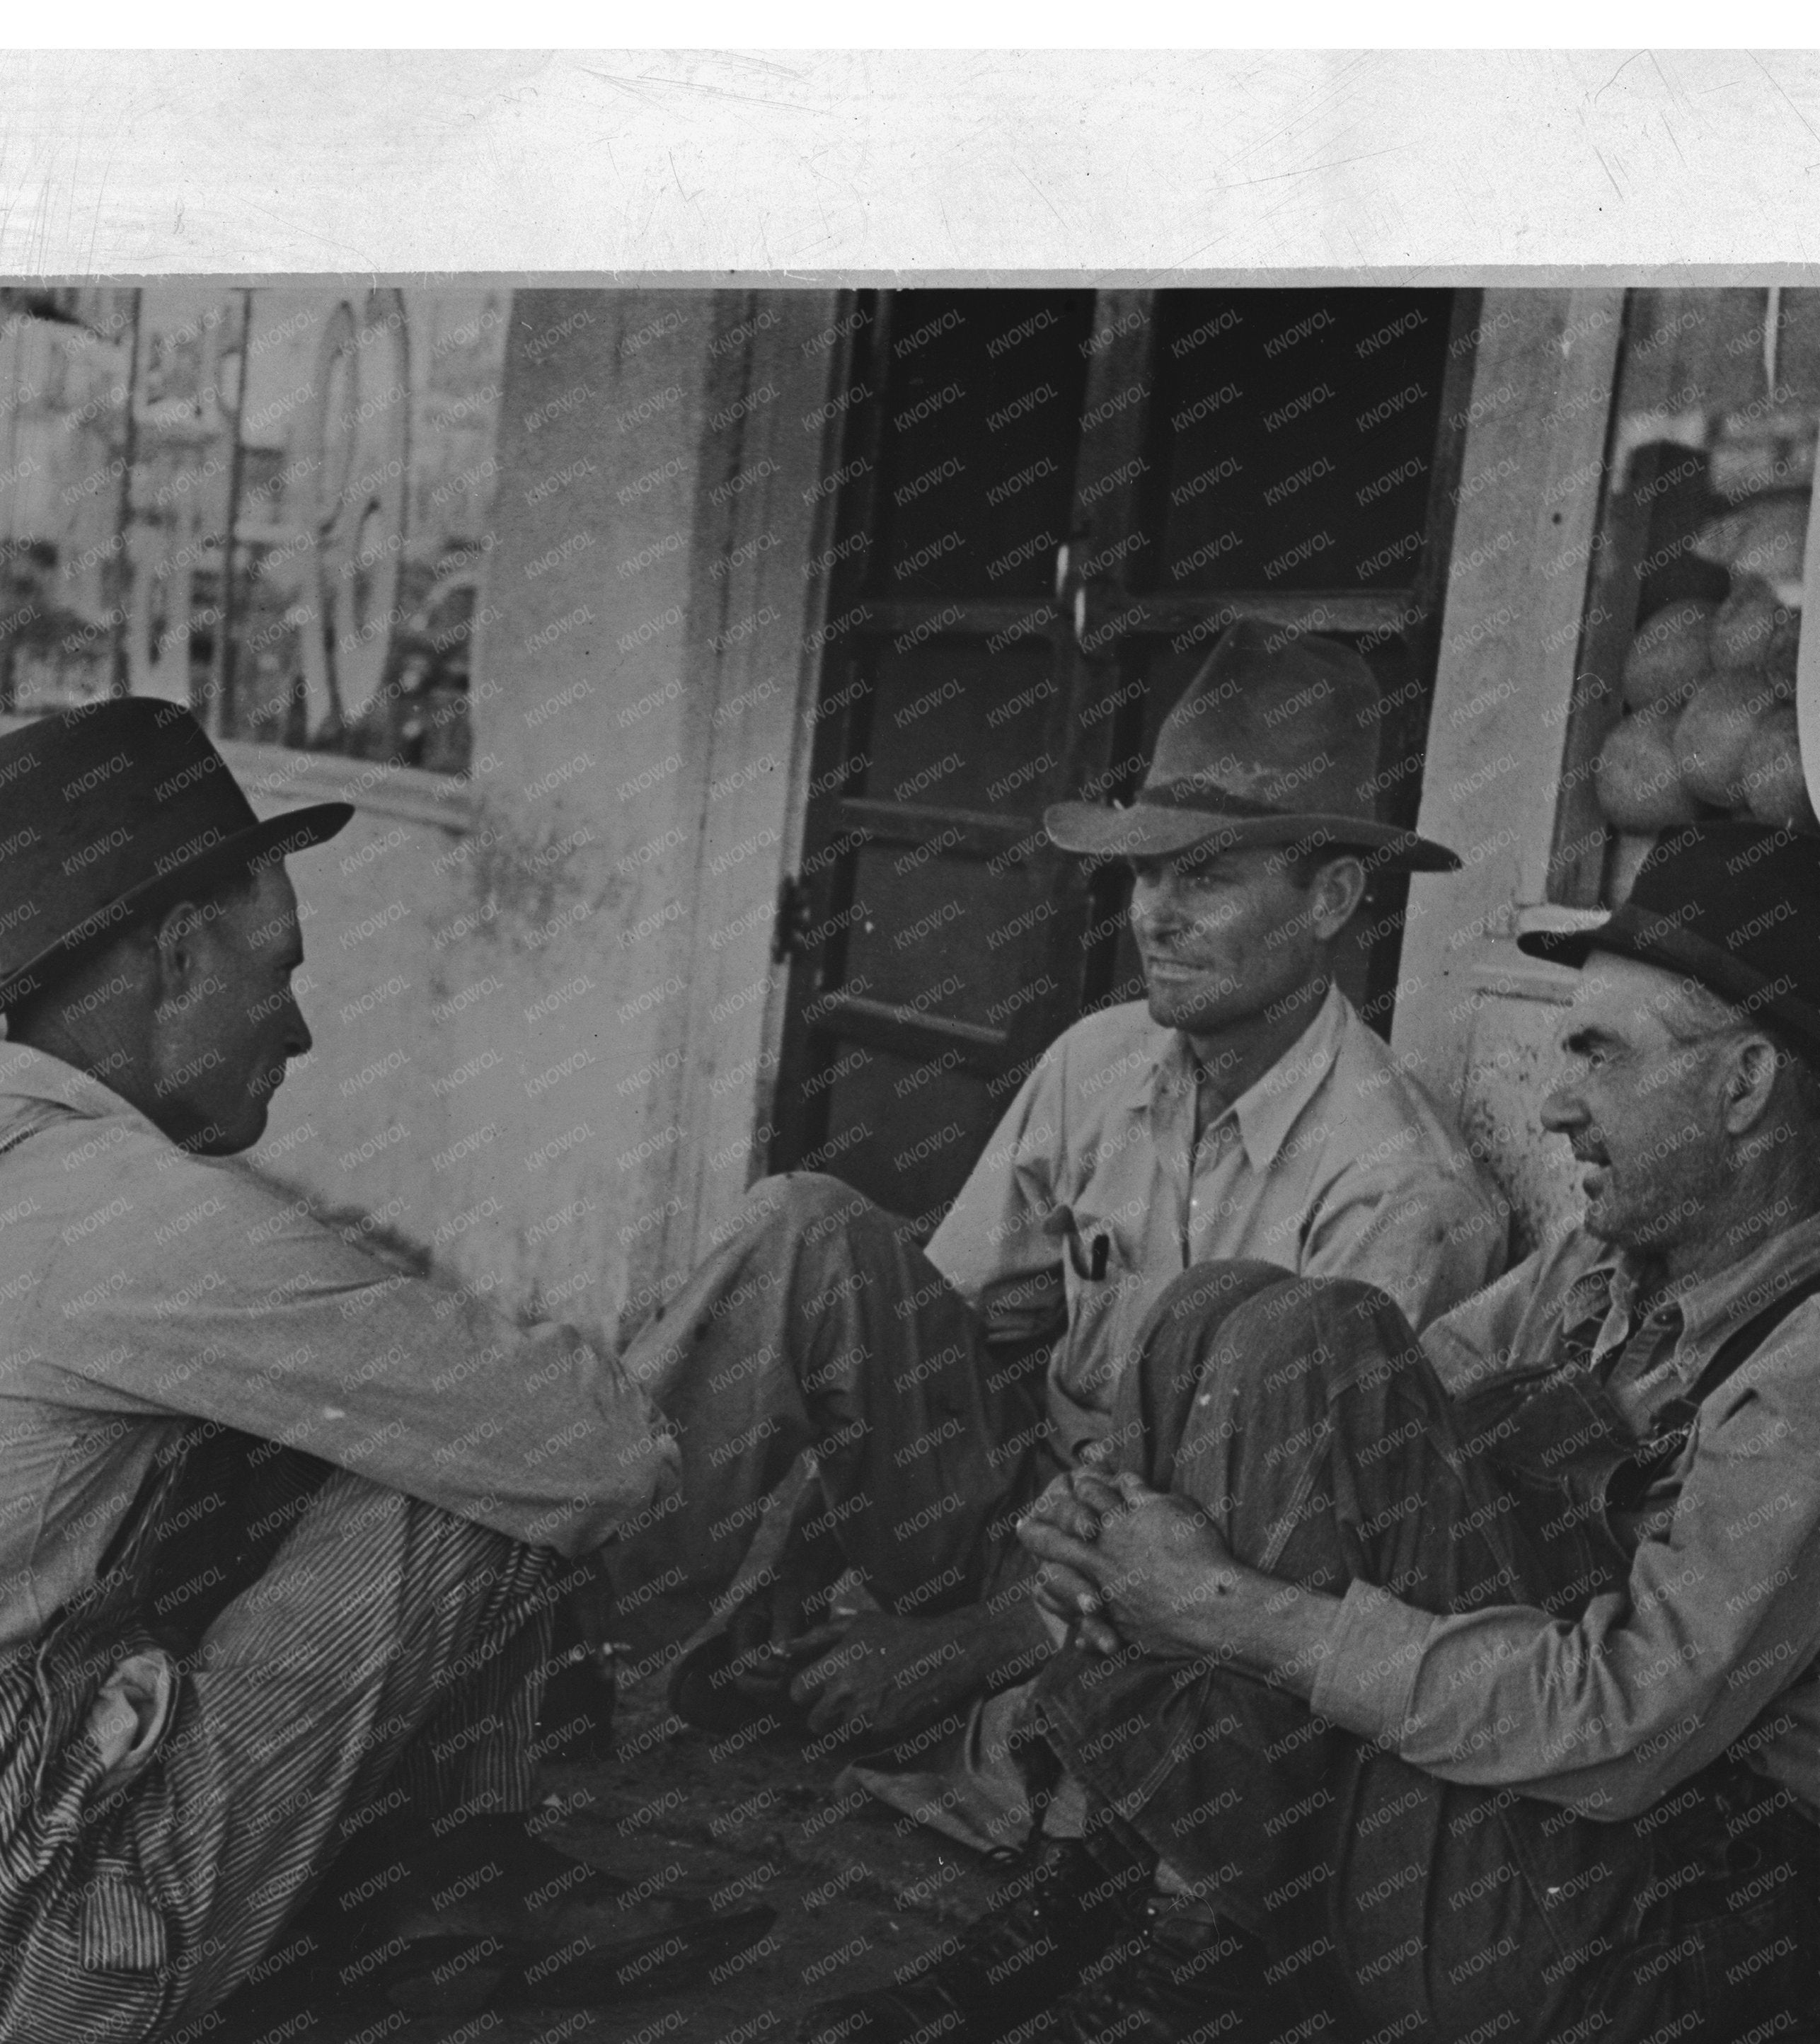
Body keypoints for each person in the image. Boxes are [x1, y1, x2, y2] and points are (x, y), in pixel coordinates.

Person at [804, 822, 1820, 2044]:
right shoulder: (1597, 1275)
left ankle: (1198, 1963)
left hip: (1599, 1934)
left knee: (1309, 1343)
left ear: (1743, 1086)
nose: (1555, 1104)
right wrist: (1122, 1548)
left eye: (1600, 1053)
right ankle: (1114, 1883)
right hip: (1467, 1861)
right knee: (1230, 1317)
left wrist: (1224, 1608)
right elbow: (1303, 1445)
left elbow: (1628, 1722)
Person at [0, 698, 771, 2044]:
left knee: (319, 1419)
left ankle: (417, 1863)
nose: (295, 1030)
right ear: (177, 955)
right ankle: (461, 1881)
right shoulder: (129, 1217)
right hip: (35, 1956)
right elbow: (601, 1455)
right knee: (474, 1468)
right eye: (277, 969)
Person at [608, 620, 1504, 1792]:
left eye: (1209, 874)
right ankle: (565, 1607)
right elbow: (951, 1328)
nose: (1153, 915)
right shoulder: (1100, 1060)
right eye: (1144, 870)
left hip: (1189, 1601)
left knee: (1089, 1753)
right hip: (1025, 1512)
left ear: (1332, 894)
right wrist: (805, 1556)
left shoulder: (1402, 1188)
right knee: (802, 1222)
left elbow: (1286, 1557)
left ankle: (972, 1720)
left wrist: (968, 1644)